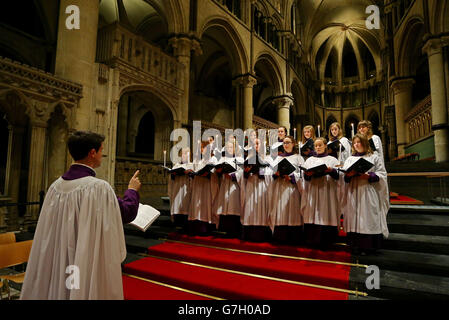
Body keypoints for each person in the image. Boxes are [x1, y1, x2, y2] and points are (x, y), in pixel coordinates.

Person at [21, 131, 141, 300]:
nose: (102, 155)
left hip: (60, 254)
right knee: (78, 287)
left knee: (63, 287)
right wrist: (132, 190)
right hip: (83, 256)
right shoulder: (98, 188)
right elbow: (125, 213)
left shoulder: (55, 187)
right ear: (92, 153)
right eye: (101, 150)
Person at [341, 134, 389, 254]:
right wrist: (348, 175)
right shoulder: (350, 159)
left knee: (368, 217)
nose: (357, 145)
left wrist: (369, 176)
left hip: (368, 191)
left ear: (365, 143)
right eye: (355, 143)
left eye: (359, 142)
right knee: (354, 217)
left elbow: (382, 174)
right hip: (353, 191)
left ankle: (369, 247)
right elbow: (344, 177)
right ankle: (355, 245)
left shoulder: (374, 157)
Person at [301, 138, 340, 249]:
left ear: (325, 146)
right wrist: (308, 174)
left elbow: (339, 177)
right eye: (316, 146)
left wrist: (331, 171)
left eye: (320, 145)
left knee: (326, 212)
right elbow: (305, 177)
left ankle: (327, 241)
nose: (318, 147)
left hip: (327, 191)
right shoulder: (309, 160)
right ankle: (312, 239)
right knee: (313, 214)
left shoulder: (332, 160)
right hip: (313, 191)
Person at [268, 136, 304, 244]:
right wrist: (275, 174)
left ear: (293, 144)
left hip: (292, 189)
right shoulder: (278, 158)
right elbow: (270, 174)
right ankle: (280, 237)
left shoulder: (298, 158)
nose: (286, 145)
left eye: (288, 142)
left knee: (293, 211)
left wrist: (293, 177)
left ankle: (294, 237)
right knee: (280, 211)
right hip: (280, 188)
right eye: (284, 143)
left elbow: (302, 174)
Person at [239, 138, 273, 242]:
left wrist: (260, 171)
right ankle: (249, 233)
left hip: (261, 186)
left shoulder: (268, 158)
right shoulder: (248, 158)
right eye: (254, 144)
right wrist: (246, 171)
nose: (256, 146)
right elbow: (241, 174)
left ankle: (261, 235)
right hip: (250, 184)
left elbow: (271, 173)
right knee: (249, 207)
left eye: (258, 144)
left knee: (260, 208)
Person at [188, 140, 219, 235]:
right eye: (200, 148)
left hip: (206, 186)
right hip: (198, 185)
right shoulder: (200, 161)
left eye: (203, 147)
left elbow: (215, 174)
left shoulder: (213, 160)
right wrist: (191, 173)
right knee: (197, 206)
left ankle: (205, 228)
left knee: (205, 206)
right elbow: (195, 172)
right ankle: (197, 226)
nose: (201, 149)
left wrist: (207, 174)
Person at [214, 142, 244, 237]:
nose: (229, 149)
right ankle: (223, 228)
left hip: (234, 187)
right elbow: (216, 173)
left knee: (233, 207)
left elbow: (242, 173)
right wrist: (218, 171)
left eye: (231, 147)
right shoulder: (223, 159)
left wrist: (233, 175)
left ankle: (234, 231)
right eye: (227, 147)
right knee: (224, 206)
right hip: (224, 185)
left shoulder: (239, 159)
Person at [168, 147, 194, 231]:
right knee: (177, 205)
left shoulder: (192, 165)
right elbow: (171, 178)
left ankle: (186, 223)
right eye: (183, 153)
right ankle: (177, 222)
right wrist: (174, 173)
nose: (185, 155)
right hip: (177, 190)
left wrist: (190, 174)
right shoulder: (177, 165)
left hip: (187, 190)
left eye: (187, 153)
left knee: (185, 205)